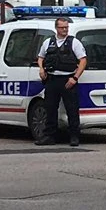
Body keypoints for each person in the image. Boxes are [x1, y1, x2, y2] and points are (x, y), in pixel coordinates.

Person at [37, 16, 87, 148]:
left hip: (68, 80)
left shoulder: (74, 42)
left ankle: (74, 137)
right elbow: (40, 57)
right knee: (50, 108)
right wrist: (41, 69)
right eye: (62, 27)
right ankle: (49, 136)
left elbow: (83, 60)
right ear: (56, 28)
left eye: (66, 27)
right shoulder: (48, 42)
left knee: (72, 109)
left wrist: (75, 78)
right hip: (52, 79)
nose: (65, 30)